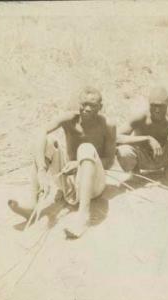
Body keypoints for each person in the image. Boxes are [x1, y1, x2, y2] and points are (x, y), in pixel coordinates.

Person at [8, 87, 116, 239]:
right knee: (49, 142)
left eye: (92, 105)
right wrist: (42, 171)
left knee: (86, 148)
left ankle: (83, 216)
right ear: (78, 104)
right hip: (69, 182)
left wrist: (79, 163)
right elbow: (41, 132)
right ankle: (33, 206)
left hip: (93, 186)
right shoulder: (69, 119)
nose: (87, 108)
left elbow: (110, 161)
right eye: (84, 104)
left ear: (100, 107)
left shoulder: (108, 125)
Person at [115, 86, 168, 180]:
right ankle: (135, 170)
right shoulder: (140, 116)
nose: (157, 110)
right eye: (153, 105)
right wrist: (147, 139)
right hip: (142, 157)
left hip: (163, 155)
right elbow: (116, 137)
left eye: (160, 106)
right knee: (123, 151)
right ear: (148, 104)